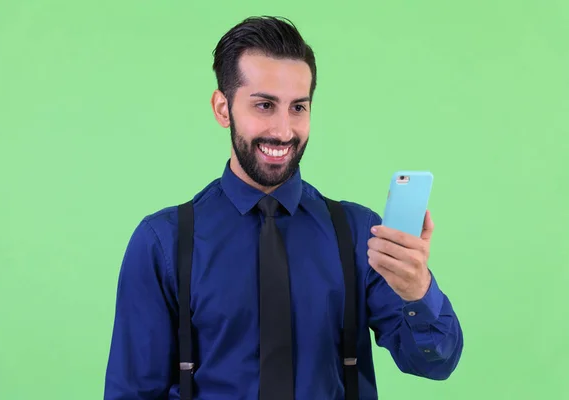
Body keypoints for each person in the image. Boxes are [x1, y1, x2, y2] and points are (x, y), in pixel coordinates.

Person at [103, 15, 463, 400]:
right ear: (223, 108)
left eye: (298, 108)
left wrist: (417, 292)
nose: (283, 130)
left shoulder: (360, 234)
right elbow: (132, 392)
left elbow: (434, 363)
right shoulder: (163, 242)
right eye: (264, 105)